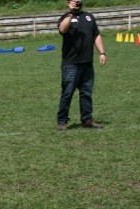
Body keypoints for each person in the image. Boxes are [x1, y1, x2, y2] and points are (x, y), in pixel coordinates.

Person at [57, 0, 107, 131]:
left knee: (86, 93)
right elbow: (62, 29)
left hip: (87, 63)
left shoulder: (89, 17)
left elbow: (96, 35)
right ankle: (62, 121)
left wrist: (102, 52)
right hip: (71, 64)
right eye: (73, 1)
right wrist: (71, 13)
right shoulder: (65, 17)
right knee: (67, 93)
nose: (76, 2)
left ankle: (87, 120)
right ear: (68, 4)